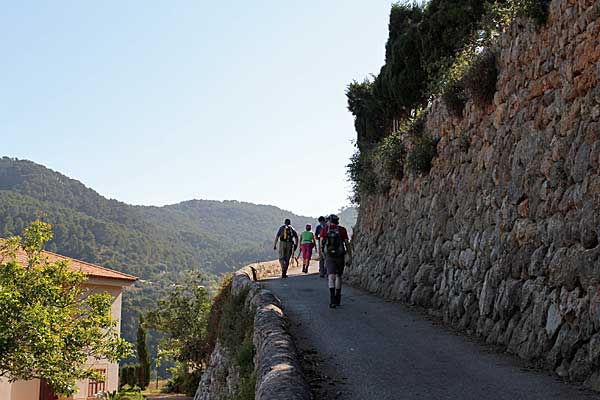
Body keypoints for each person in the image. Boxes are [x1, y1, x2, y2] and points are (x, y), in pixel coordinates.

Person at [320, 214, 351, 308]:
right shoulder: (342, 230)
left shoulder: (325, 230)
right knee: (338, 276)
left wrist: (323, 255)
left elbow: (322, 244)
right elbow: (346, 243)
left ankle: (332, 299)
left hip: (329, 256)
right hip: (340, 256)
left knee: (331, 276)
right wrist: (350, 255)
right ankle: (338, 297)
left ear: (329, 221)